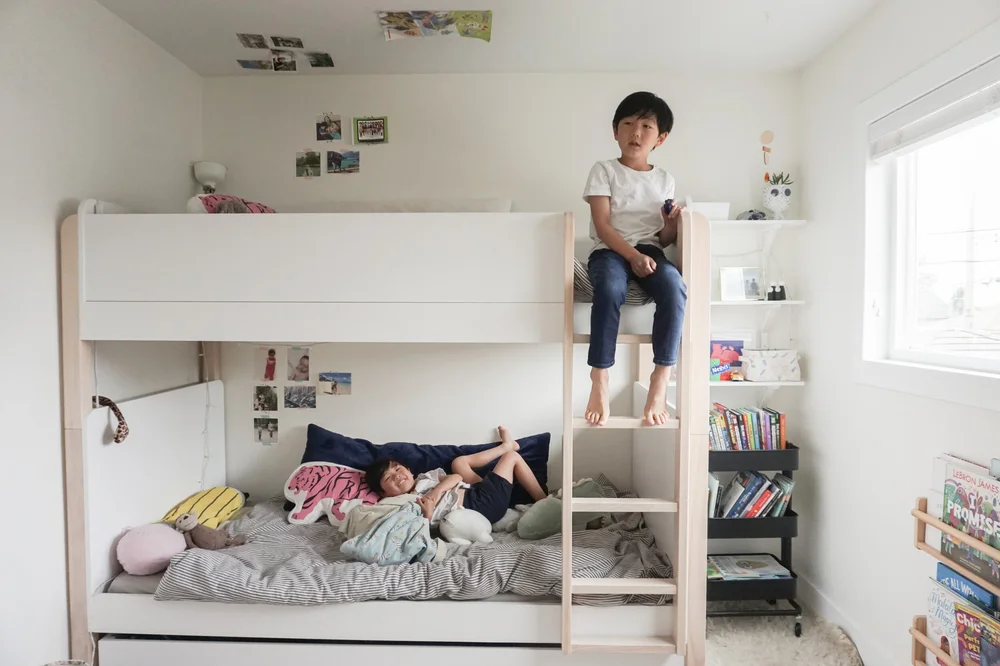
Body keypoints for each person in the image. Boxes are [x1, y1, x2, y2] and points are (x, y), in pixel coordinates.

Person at [582, 91, 687, 426]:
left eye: (646, 126)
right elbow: (602, 224)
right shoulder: (604, 170)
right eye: (627, 124)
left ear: (661, 137)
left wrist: (670, 225)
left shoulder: (664, 179)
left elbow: (664, 239)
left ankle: (660, 378)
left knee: (674, 286)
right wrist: (633, 256)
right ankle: (600, 378)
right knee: (611, 287)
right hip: (609, 249)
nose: (636, 132)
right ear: (615, 131)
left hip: (650, 250)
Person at [365, 426, 547, 526]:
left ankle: (506, 446)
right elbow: (415, 529)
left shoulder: (425, 478)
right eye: (388, 478)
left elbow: (457, 477)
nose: (396, 476)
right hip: (480, 506)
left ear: (409, 471)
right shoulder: (402, 503)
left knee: (459, 464)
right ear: (385, 494)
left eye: (397, 469)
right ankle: (544, 501)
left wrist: (436, 492)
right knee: (512, 458)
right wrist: (427, 513)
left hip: (475, 493)